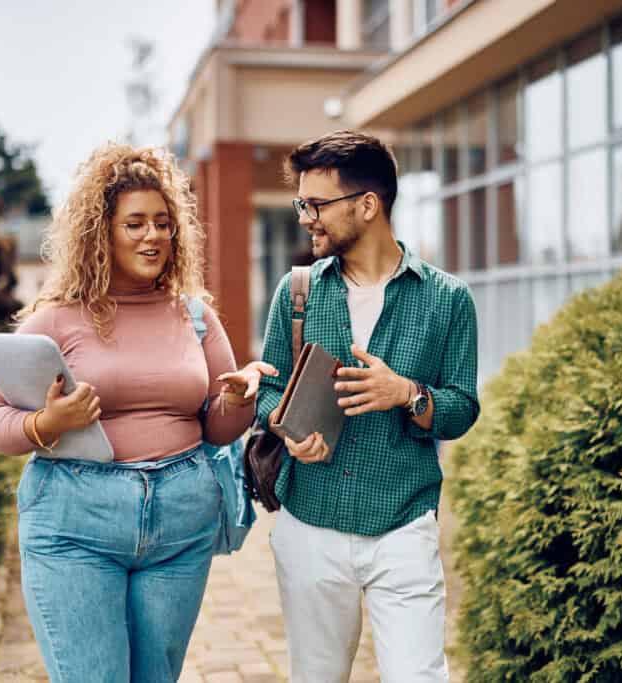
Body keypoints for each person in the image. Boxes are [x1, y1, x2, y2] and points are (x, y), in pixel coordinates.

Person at [0, 144, 275, 683]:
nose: (153, 236)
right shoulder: (58, 318)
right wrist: (48, 424)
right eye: (135, 223)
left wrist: (238, 401)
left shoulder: (194, 315)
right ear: (102, 232)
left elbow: (217, 427)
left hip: (181, 522)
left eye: (163, 223)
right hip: (75, 522)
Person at [256, 131, 480, 682]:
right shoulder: (298, 291)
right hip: (310, 524)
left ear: (367, 205)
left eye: (317, 205)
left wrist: (407, 394)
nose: (306, 217)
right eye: (301, 203)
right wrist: (287, 433)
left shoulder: (447, 299)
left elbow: (462, 408)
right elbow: (268, 391)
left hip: (403, 526)